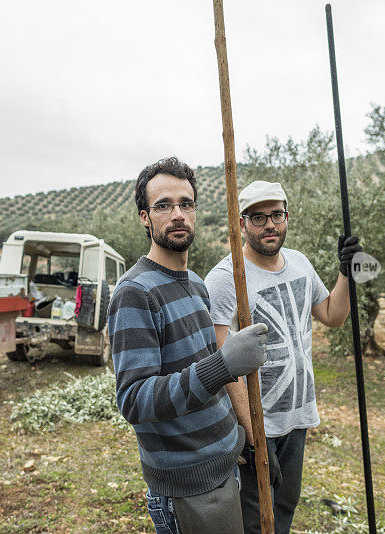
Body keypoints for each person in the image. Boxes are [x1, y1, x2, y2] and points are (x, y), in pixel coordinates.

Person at [108, 157, 270, 534]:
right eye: (163, 206)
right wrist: (223, 365)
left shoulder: (196, 283)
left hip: (225, 466)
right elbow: (134, 400)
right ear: (145, 217)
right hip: (186, 485)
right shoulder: (135, 293)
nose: (177, 214)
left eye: (186, 204)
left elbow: (207, 371)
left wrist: (243, 438)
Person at [204, 180, 362, 534]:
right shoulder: (226, 278)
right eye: (258, 218)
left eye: (277, 215)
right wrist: (254, 435)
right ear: (242, 223)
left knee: (285, 509)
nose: (270, 225)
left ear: (287, 217)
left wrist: (346, 272)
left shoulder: (301, 264)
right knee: (256, 519)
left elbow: (333, 316)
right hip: (255, 422)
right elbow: (221, 363)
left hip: (297, 416)